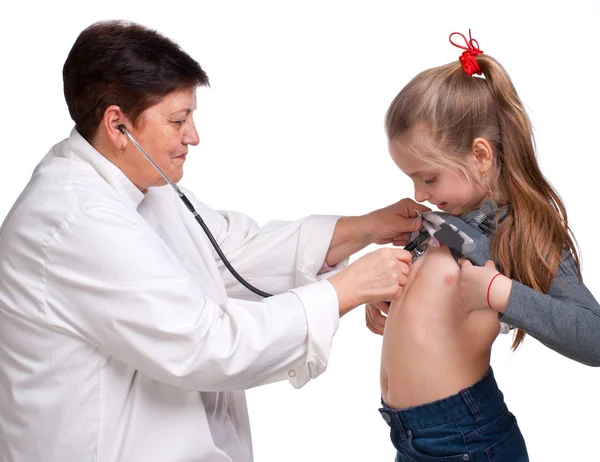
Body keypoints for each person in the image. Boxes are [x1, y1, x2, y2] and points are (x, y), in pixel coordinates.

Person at [0, 20, 428, 462]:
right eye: (178, 120)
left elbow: (229, 257)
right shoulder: (77, 219)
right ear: (117, 125)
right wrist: (347, 289)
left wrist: (364, 228)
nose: (194, 136)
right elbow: (206, 344)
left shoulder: (139, 182)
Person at [367, 31, 600, 461]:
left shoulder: (517, 230)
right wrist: (390, 296)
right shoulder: (443, 220)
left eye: (429, 177)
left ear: (480, 155)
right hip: (409, 439)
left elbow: (594, 336)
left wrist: (501, 294)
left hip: (468, 443)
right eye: (412, 179)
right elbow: (438, 305)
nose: (419, 192)